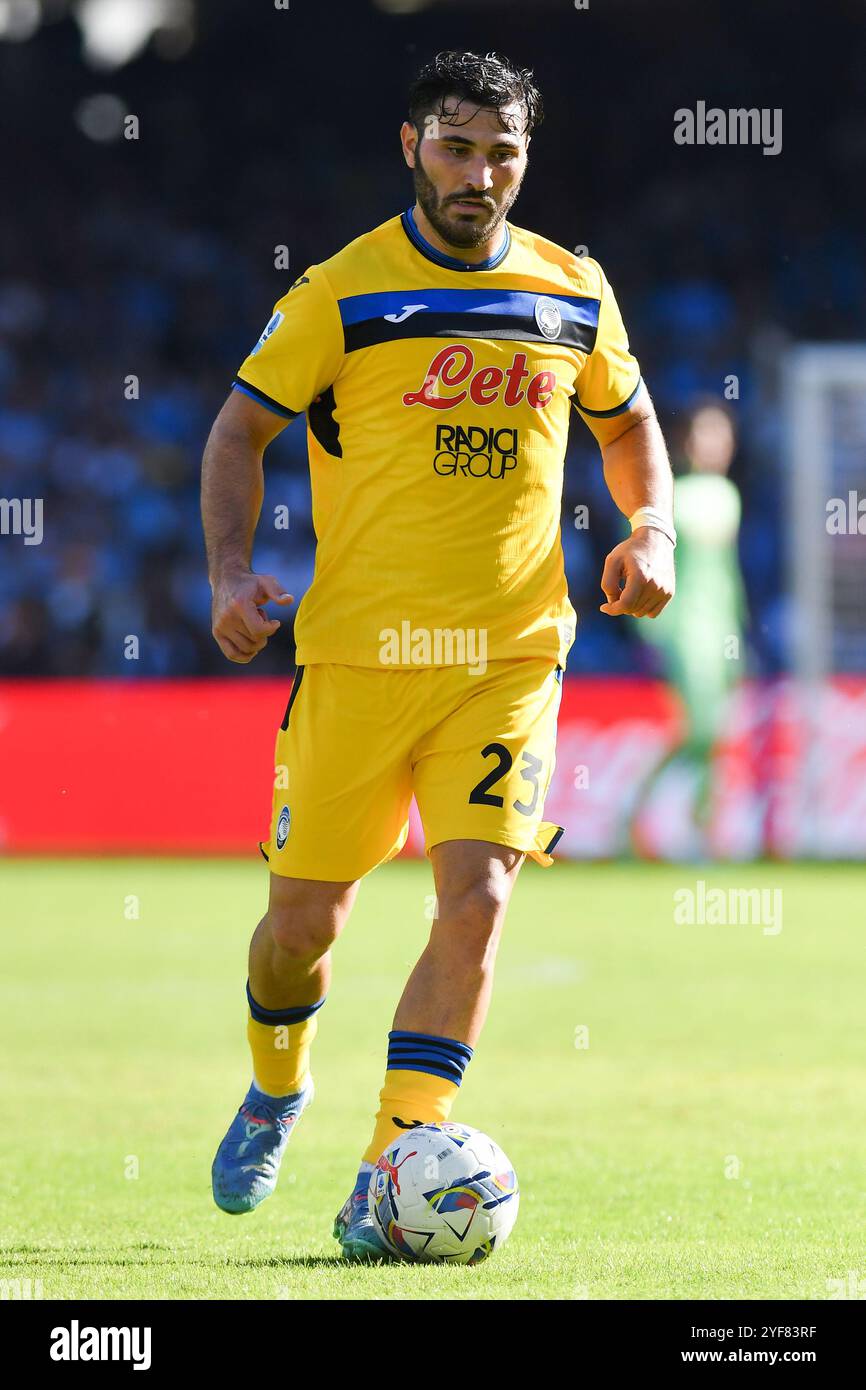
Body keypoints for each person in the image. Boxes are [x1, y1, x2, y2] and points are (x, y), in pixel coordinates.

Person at [200, 49, 675, 1260]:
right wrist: (224, 571)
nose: (481, 174)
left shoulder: (573, 290)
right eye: (457, 148)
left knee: (479, 898)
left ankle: (386, 1166)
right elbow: (238, 433)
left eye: (502, 152)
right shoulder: (337, 293)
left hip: (509, 658)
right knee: (301, 927)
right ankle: (275, 1082)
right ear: (410, 147)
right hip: (356, 662)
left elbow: (630, 428)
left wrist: (650, 525)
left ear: (525, 158)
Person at [630, 400, 745, 856]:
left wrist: (741, 632)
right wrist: (654, 634)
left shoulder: (728, 497)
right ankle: (640, 814)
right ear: (687, 442)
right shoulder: (670, 497)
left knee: (714, 737)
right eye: (704, 434)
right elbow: (653, 563)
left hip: (722, 633)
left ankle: (701, 830)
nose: (713, 445)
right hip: (685, 631)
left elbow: (729, 575)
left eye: (721, 435)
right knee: (699, 731)